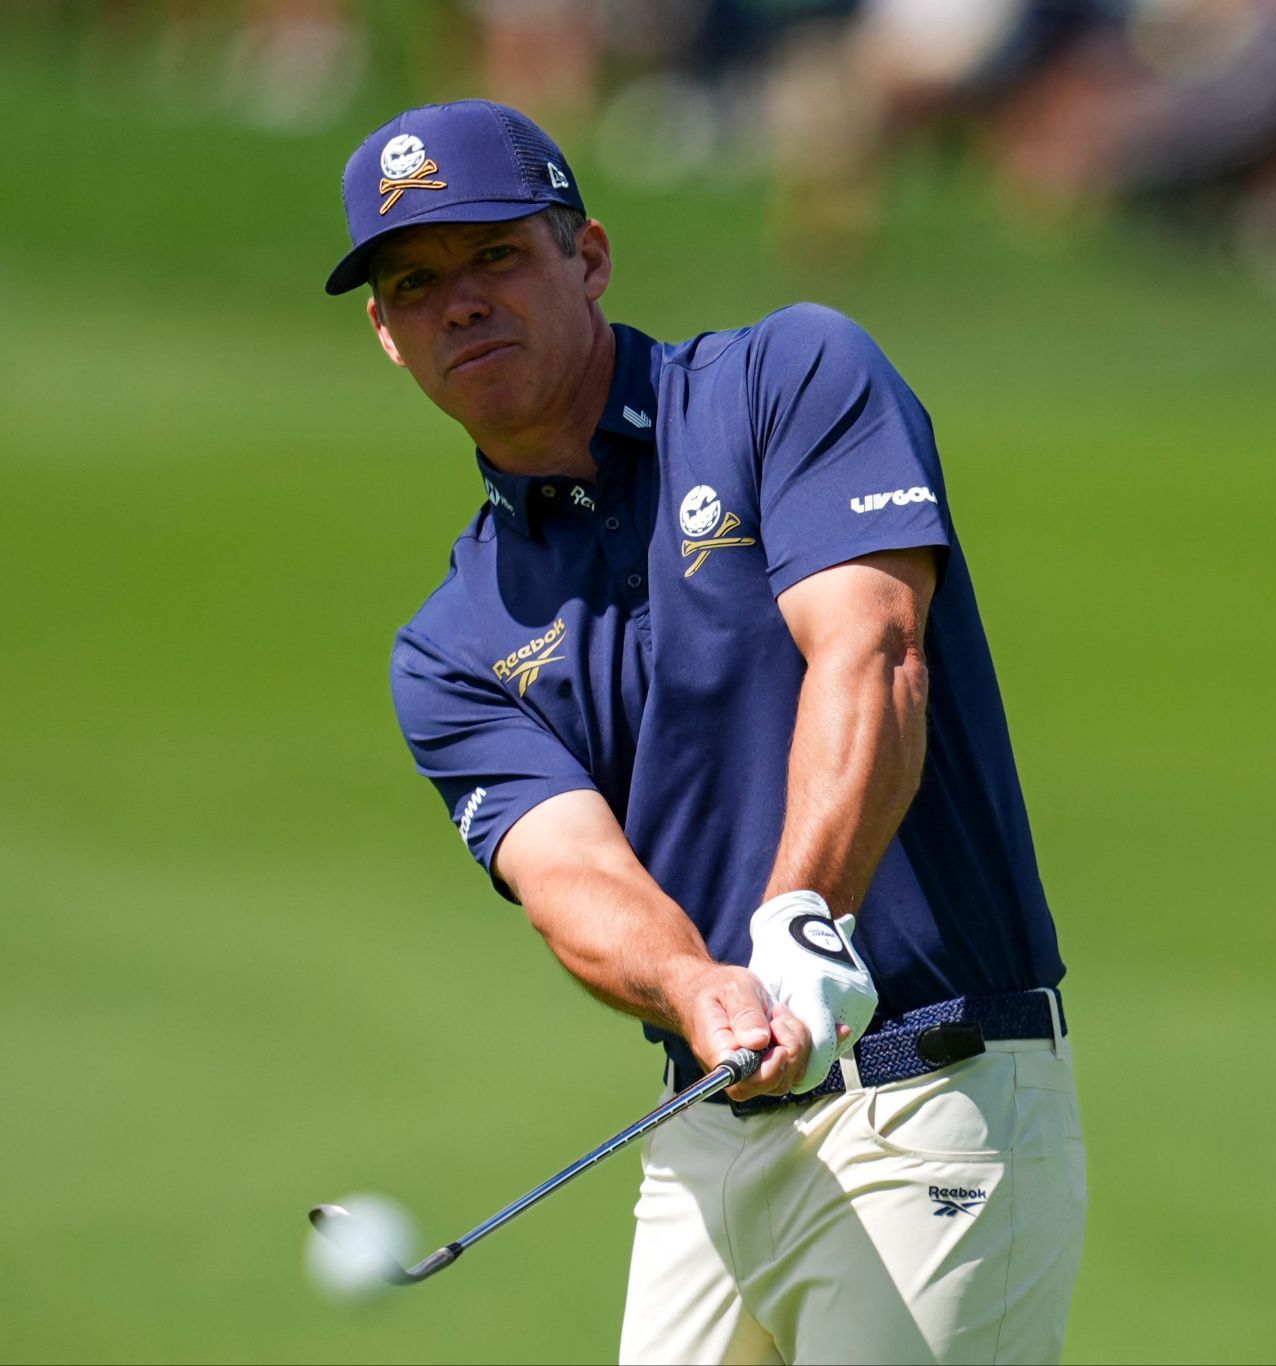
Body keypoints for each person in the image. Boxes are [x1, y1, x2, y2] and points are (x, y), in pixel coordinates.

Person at [324, 98, 1085, 1364]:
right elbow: (570, 875)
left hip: (933, 1097)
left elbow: (873, 652)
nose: (458, 302)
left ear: (590, 258)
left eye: (497, 257)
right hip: (703, 1141)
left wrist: (798, 916)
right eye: (415, 284)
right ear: (388, 337)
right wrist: (696, 985)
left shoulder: (787, 379)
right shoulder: (452, 642)